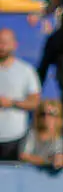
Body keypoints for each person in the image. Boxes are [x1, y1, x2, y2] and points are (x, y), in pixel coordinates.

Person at [0, 28, 41, 161]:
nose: (1, 46)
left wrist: (11, 103)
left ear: (14, 45)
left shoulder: (26, 71)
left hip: (15, 137)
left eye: (5, 43)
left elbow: (35, 102)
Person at [18, 100, 63, 170]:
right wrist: (47, 161)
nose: (46, 118)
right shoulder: (32, 132)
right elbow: (24, 156)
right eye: (43, 114)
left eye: (51, 114)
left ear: (59, 116)